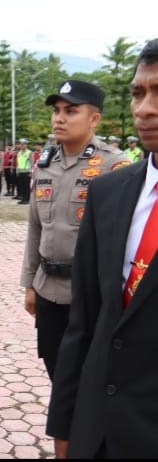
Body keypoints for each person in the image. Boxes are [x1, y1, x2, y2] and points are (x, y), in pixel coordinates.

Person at [46, 37, 158, 459]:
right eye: (137, 93)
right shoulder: (110, 192)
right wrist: (64, 423)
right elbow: (85, 320)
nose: (144, 108)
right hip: (99, 430)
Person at [20, 79, 131, 383]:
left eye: (70, 111)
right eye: (56, 110)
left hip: (91, 294)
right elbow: (35, 227)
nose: (59, 118)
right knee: (56, 371)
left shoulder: (115, 166)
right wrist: (29, 284)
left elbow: (125, 239)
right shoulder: (44, 164)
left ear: (94, 119)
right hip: (47, 289)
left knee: (90, 378)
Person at [14, 138, 32, 204]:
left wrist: (31, 172)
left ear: (26, 145)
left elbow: (32, 163)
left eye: (24, 144)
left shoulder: (29, 152)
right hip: (20, 172)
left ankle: (27, 199)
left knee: (27, 186)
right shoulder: (19, 153)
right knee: (21, 186)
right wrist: (17, 171)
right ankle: (23, 199)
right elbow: (18, 163)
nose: (22, 146)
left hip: (27, 172)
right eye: (21, 144)